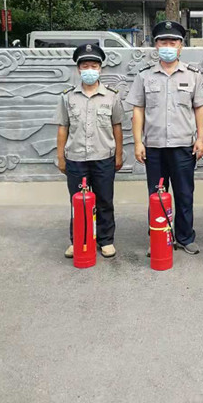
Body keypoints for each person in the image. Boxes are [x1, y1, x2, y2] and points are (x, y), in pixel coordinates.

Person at [126, 20, 203, 255]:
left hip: (183, 146)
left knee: (184, 194)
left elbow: (199, 109)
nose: (168, 46)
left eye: (173, 42)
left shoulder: (193, 75)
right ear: (156, 46)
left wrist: (201, 139)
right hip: (154, 147)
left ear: (181, 46)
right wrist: (138, 142)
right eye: (163, 42)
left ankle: (185, 237)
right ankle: (159, 238)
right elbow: (138, 110)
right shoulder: (144, 76)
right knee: (156, 195)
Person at [55, 43, 124, 259]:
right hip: (76, 157)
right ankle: (78, 240)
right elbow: (63, 127)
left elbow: (117, 126)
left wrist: (119, 155)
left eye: (94, 66)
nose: (89, 70)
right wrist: (60, 157)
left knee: (104, 201)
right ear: (78, 69)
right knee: (77, 202)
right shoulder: (67, 97)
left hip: (104, 157)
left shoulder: (112, 96)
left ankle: (106, 240)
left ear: (100, 69)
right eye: (85, 66)